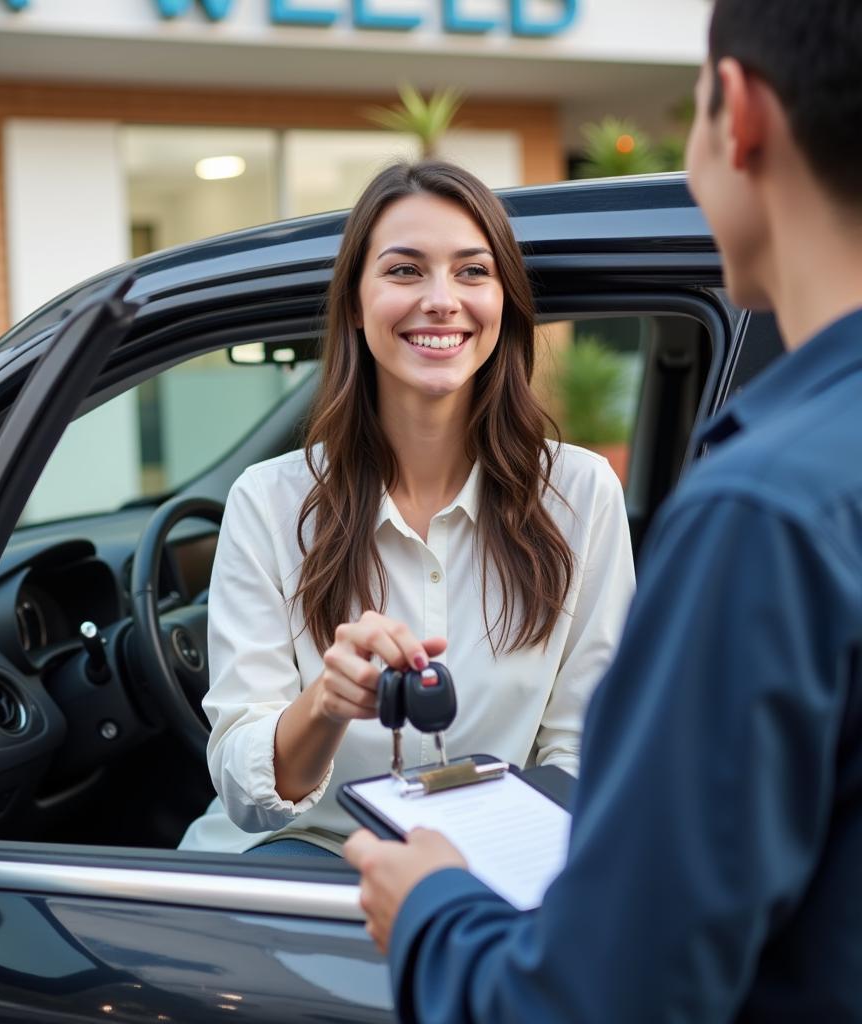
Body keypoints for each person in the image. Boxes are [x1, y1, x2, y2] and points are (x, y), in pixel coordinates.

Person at [345, 0, 862, 1018]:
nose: (438, 302)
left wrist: (432, 913)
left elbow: (603, 999)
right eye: (402, 271)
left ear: (738, 113)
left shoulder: (767, 513)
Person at [179, 161, 634, 856]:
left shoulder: (582, 495)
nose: (442, 300)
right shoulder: (269, 503)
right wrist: (327, 703)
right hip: (297, 877)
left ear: (505, 301)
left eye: (473, 272)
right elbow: (248, 795)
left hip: (491, 878)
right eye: (404, 271)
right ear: (355, 306)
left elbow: (586, 755)